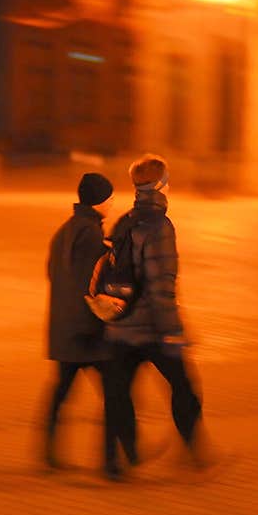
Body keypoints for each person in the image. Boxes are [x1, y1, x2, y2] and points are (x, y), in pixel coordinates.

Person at [103, 153, 204, 471]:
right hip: (152, 329)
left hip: (121, 324)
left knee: (120, 393)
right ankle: (193, 453)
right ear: (161, 185)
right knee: (185, 387)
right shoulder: (160, 226)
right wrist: (173, 330)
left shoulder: (123, 221)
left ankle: (121, 460)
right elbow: (161, 283)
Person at [44, 172, 122, 475]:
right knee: (115, 392)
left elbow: (53, 274)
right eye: (111, 198)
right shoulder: (90, 234)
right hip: (87, 331)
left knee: (61, 392)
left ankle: (48, 452)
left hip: (63, 327)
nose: (113, 203)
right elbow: (96, 282)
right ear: (100, 201)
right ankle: (112, 461)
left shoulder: (64, 231)